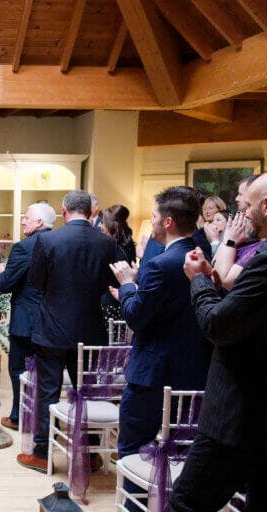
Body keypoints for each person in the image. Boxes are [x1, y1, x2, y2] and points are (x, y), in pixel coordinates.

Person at [109, 186, 212, 511]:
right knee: (181, 449)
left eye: (153, 216)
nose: (150, 221)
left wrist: (127, 285)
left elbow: (136, 318)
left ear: (167, 222)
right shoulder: (202, 254)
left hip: (152, 375)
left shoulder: (161, 264)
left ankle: (135, 506)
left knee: (132, 448)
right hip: (193, 372)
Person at [170, 174, 267, 512]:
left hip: (239, 416)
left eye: (249, 205)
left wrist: (198, 281)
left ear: (265, 207)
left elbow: (217, 325)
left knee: (186, 502)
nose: (245, 213)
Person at [16, 189, 116, 473]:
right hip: (91, 329)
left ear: (64, 211)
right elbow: (110, 283)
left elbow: (36, 281)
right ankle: (91, 453)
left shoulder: (48, 239)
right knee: (88, 392)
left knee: (48, 392)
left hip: (52, 328)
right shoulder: (107, 243)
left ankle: (42, 453)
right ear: (91, 212)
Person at [0, 202, 56, 430]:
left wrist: (1, 273)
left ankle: (19, 416)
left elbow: (5, 284)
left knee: (18, 369)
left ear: (39, 222)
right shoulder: (59, 244)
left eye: (26, 218)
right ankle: (43, 419)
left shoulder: (23, 247)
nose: (22, 221)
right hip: (53, 321)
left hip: (26, 321)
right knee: (47, 373)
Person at [98, 204, 136, 320]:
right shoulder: (127, 246)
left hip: (110, 303)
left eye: (102, 222)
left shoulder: (113, 250)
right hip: (119, 299)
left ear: (111, 225)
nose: (99, 225)